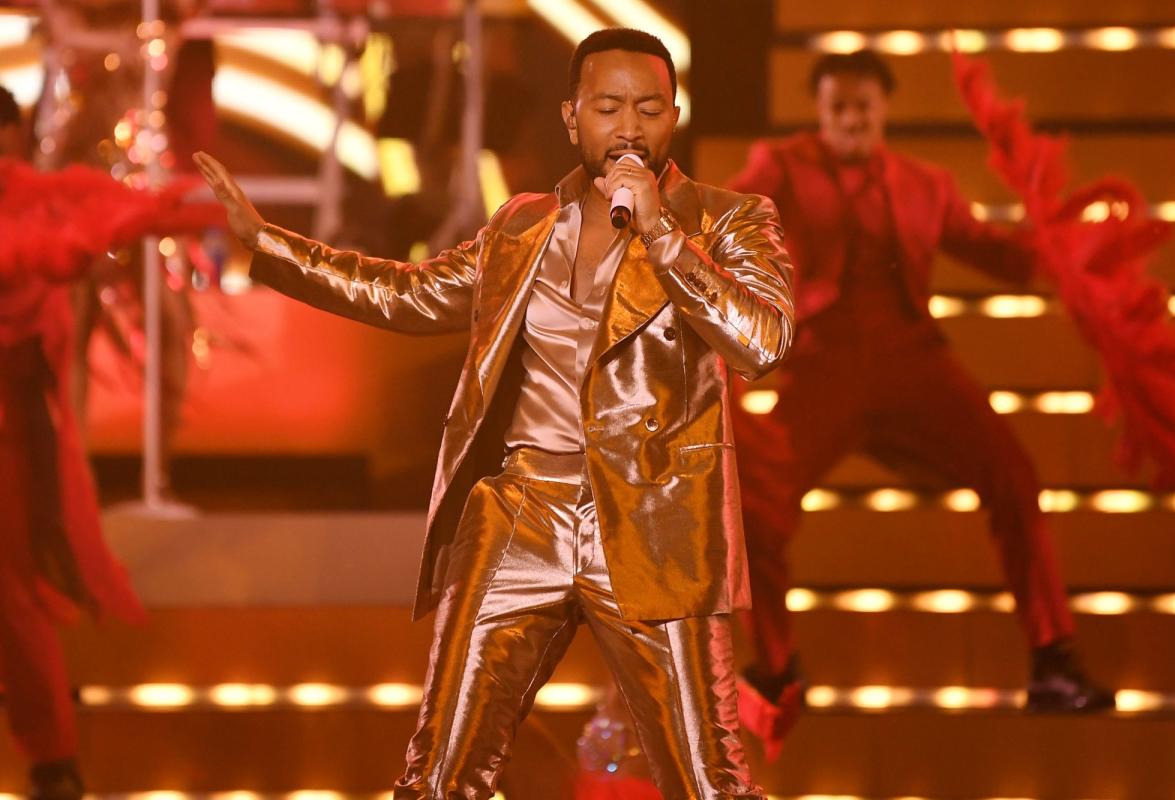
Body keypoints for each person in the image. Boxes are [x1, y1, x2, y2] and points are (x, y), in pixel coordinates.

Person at [195, 28, 794, 800]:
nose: (629, 129)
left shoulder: (728, 220)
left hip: (655, 530)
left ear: (675, 115)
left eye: (648, 108)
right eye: (608, 108)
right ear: (571, 117)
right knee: (439, 775)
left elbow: (764, 341)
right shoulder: (519, 226)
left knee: (711, 782)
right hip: (521, 517)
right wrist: (272, 248)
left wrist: (664, 238)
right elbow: (408, 292)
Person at [725, 50, 1115, 754]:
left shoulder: (924, 185)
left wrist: (1066, 252)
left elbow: (997, 252)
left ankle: (1054, 658)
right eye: (839, 106)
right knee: (754, 508)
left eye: (864, 107)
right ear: (820, 112)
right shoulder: (778, 167)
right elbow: (721, 221)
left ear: (883, 112)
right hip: (822, 365)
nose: (851, 119)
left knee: (1014, 474)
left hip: (914, 365)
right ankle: (778, 667)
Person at [0, 85, 144, 800]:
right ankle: (52, 751)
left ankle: (53, 750)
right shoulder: (40, 212)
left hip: (19, 419)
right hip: (22, 416)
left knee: (17, 588)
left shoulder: (44, 211)